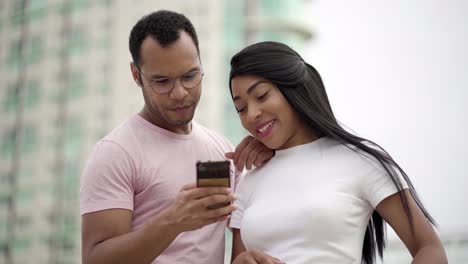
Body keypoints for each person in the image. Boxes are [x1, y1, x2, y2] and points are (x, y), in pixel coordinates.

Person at [80, 11, 273, 264]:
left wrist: (272, 152)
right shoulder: (115, 152)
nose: (180, 93)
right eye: (162, 81)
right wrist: (173, 221)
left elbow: (250, 230)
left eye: (189, 76)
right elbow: (95, 259)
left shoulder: (221, 150)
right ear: (136, 75)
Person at [228, 41, 447, 264]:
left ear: (293, 88)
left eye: (262, 96)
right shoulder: (250, 179)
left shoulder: (360, 161)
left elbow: (430, 250)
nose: (251, 114)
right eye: (241, 108)